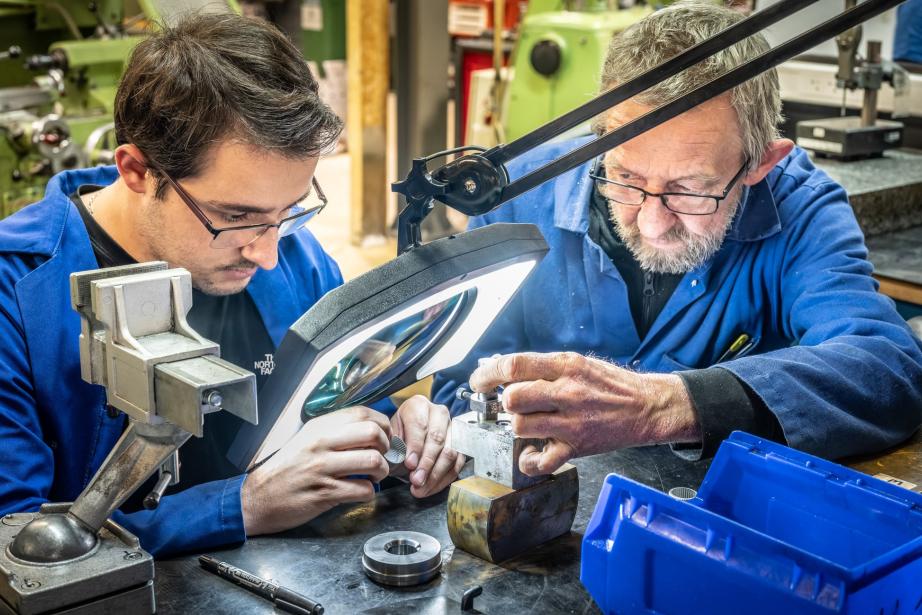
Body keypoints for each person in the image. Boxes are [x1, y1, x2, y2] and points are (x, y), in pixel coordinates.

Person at [0, 14, 463, 557]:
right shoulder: (17, 294)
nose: (266, 254)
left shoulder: (295, 253)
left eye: (288, 212)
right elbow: (15, 541)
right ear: (136, 171)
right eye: (235, 217)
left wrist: (395, 434)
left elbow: (345, 395)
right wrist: (243, 505)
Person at [433, 1, 922, 476]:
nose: (650, 223)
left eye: (689, 191)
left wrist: (669, 405)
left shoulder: (800, 206)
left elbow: (887, 369)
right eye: (624, 177)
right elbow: (460, 377)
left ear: (761, 163)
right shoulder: (522, 196)